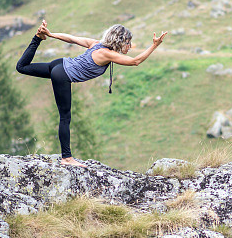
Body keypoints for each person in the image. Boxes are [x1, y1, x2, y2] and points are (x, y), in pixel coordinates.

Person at [16, 20, 168, 167]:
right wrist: (154, 46)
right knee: (65, 117)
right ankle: (67, 158)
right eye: (128, 42)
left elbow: (72, 39)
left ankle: (37, 38)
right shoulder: (107, 53)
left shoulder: (96, 44)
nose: (129, 46)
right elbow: (135, 61)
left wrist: (50, 34)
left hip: (60, 64)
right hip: (62, 74)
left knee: (22, 67)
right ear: (120, 41)